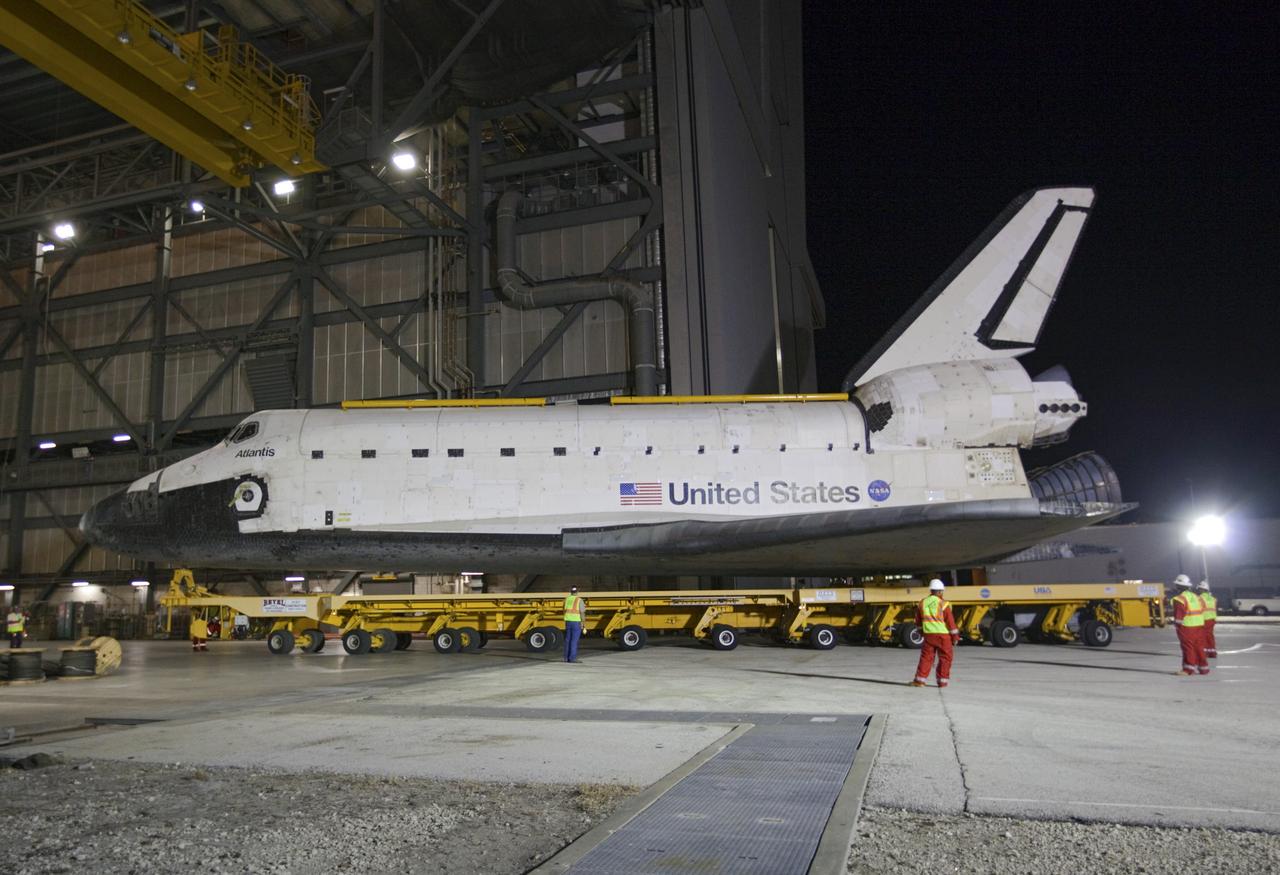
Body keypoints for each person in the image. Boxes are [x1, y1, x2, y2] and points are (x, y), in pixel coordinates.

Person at [911, 579, 960, 688]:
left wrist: (921, 632)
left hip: (929, 635)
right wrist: (955, 637)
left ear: (931, 590)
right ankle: (942, 682)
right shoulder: (943, 604)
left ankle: (920, 681)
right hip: (943, 636)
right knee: (945, 658)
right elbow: (951, 623)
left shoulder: (923, 602)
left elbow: (918, 621)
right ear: (940, 591)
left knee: (926, 658)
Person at [1170, 574, 1208, 675]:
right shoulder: (1197, 597)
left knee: (1188, 648)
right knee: (1199, 647)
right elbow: (1203, 608)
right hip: (1199, 626)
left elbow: (1179, 616)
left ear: (1178, 586)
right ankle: (1203, 668)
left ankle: (1188, 669)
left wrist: (1176, 624)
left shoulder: (1180, 599)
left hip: (1187, 627)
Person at [563, 586, 585, 663]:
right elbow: (582, 612)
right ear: (577, 592)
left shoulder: (566, 599)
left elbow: (564, 610)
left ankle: (566, 658)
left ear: (570, 591)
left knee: (568, 640)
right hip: (576, 622)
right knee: (574, 641)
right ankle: (572, 658)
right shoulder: (579, 600)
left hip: (568, 621)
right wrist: (583, 622)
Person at [1198, 580, 1218, 658]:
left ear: (1202, 589)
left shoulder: (1200, 598)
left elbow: (1199, 609)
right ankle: (1212, 652)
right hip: (1212, 619)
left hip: (1204, 619)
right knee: (1210, 636)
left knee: (1203, 636)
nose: (1198, 590)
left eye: (1199, 589)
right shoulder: (1213, 598)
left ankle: (1205, 653)